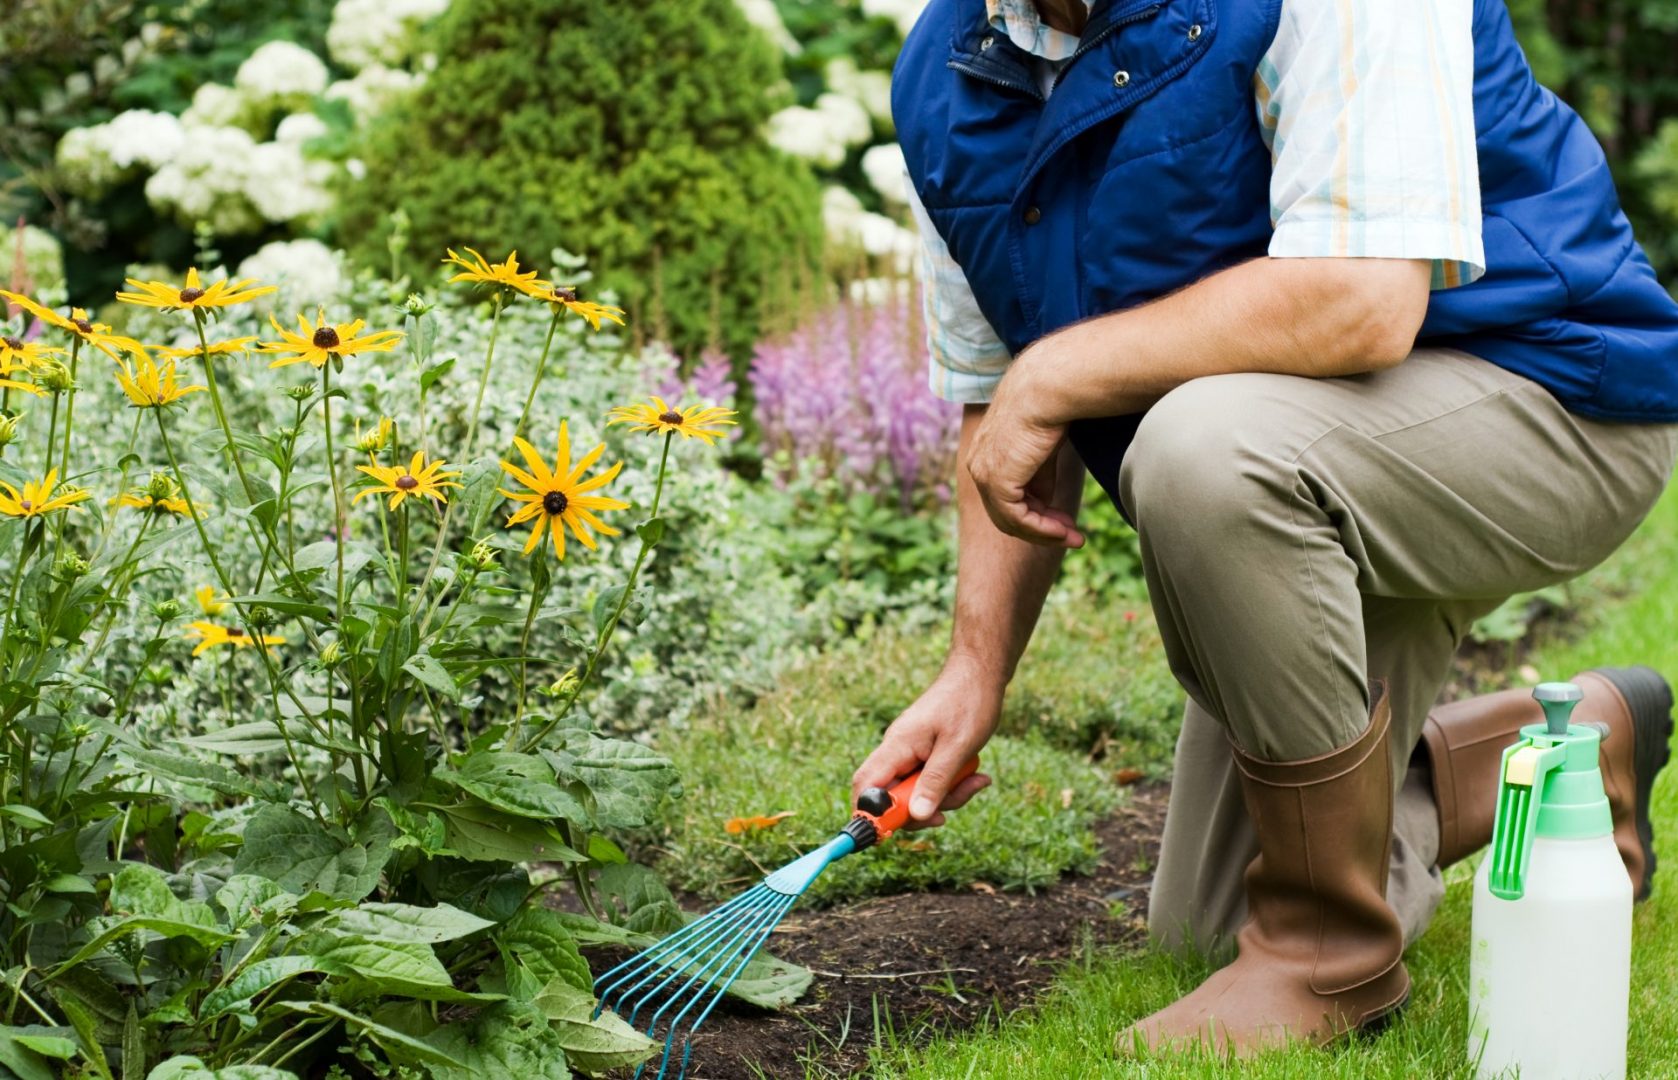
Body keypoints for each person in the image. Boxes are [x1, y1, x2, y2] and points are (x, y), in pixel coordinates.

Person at [854, 0, 1678, 1056]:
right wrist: (974, 670)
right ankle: (1561, 757)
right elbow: (1002, 419)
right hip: (1314, 449)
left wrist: (1052, 371)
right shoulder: (946, 74)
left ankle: (1326, 956)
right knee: (1205, 925)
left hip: (1553, 398)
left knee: (1199, 448)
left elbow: (1360, 303)